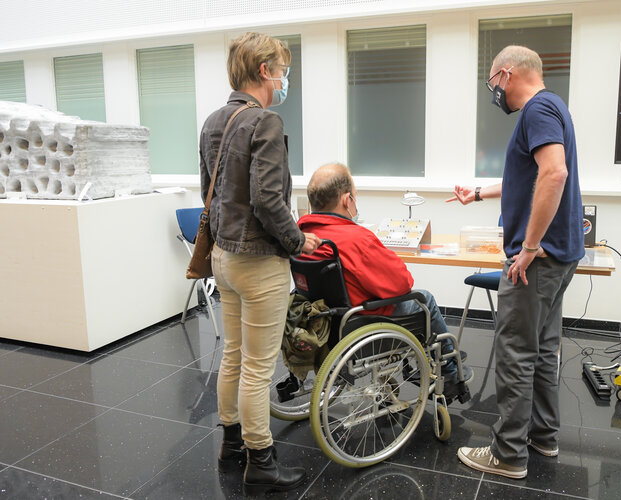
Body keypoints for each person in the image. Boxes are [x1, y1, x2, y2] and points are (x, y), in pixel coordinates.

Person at [449, 45, 584, 479]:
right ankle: (543, 437)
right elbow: (526, 177)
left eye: (493, 83)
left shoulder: (536, 111)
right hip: (561, 255)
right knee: (543, 349)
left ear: (506, 74)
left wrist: (527, 246)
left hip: (538, 259)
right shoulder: (554, 105)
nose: (494, 93)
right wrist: (479, 193)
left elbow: (554, 173)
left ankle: (508, 454)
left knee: (514, 353)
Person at [199, 31, 321, 491]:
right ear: (265, 71)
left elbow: (209, 193)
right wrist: (298, 243)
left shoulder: (213, 120)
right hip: (259, 264)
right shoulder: (264, 122)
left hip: (223, 258)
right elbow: (269, 202)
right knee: (256, 366)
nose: (285, 78)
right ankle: (262, 464)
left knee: (232, 357)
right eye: (283, 69)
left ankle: (231, 448)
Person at [298, 162, 472, 389]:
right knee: (424, 299)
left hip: (323, 321)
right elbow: (402, 283)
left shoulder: (301, 233)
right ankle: (449, 369)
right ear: (346, 200)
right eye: (355, 197)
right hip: (361, 322)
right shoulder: (355, 238)